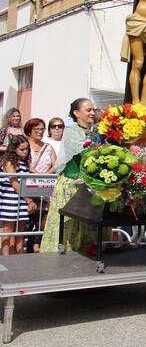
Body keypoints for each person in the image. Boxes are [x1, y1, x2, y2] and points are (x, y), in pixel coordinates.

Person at [40, 99, 99, 253]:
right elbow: (85, 152)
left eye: (93, 110)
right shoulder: (71, 131)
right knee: (68, 226)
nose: (92, 113)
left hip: (91, 188)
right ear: (76, 113)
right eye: (88, 110)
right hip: (71, 186)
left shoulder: (97, 131)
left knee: (89, 229)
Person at [24, 118, 57, 253]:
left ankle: (36, 247)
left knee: (42, 221)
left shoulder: (48, 147)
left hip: (44, 189)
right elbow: (21, 161)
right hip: (28, 189)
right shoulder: (25, 145)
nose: (40, 132)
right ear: (29, 131)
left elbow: (55, 164)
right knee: (27, 222)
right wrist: (34, 172)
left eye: (42, 129)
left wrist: (46, 175)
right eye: (36, 129)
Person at [0, 135, 36, 255]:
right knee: (8, 230)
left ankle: (20, 256)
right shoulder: (9, 162)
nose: (25, 152)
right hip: (10, 199)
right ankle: (5, 258)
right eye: (22, 149)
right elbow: (15, 183)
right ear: (14, 149)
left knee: (21, 230)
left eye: (27, 149)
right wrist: (29, 200)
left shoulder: (24, 163)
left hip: (22, 200)